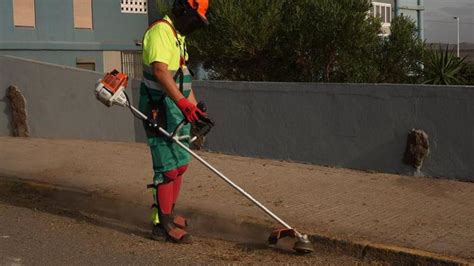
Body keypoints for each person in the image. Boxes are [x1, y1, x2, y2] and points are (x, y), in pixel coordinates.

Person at [139, 0, 209, 243]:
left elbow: (181, 76)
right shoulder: (160, 31)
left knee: (180, 165)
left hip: (176, 108)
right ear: (181, 11)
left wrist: (195, 109)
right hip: (159, 109)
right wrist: (182, 103)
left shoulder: (178, 36)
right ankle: (161, 225)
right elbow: (160, 71)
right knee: (167, 169)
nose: (194, 25)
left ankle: (168, 211)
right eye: (193, 19)